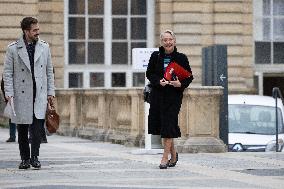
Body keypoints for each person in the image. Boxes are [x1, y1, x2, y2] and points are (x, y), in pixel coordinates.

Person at [3, 17, 55, 169]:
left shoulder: (45, 47)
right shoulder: (13, 48)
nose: (38, 32)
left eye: (38, 29)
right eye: (35, 30)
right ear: (26, 31)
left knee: (37, 129)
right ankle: (25, 159)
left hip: (39, 94)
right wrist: (9, 93)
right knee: (23, 129)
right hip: (21, 94)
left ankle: (35, 157)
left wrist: (50, 92)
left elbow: (49, 72)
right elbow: (7, 73)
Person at [146, 30, 193, 169]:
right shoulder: (155, 56)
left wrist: (180, 84)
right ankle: (173, 154)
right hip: (158, 96)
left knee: (168, 124)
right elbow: (149, 73)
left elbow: (189, 77)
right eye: (165, 40)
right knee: (164, 126)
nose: (168, 42)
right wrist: (158, 81)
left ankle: (164, 158)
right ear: (162, 42)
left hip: (173, 97)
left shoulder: (181, 58)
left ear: (174, 41)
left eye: (170, 39)